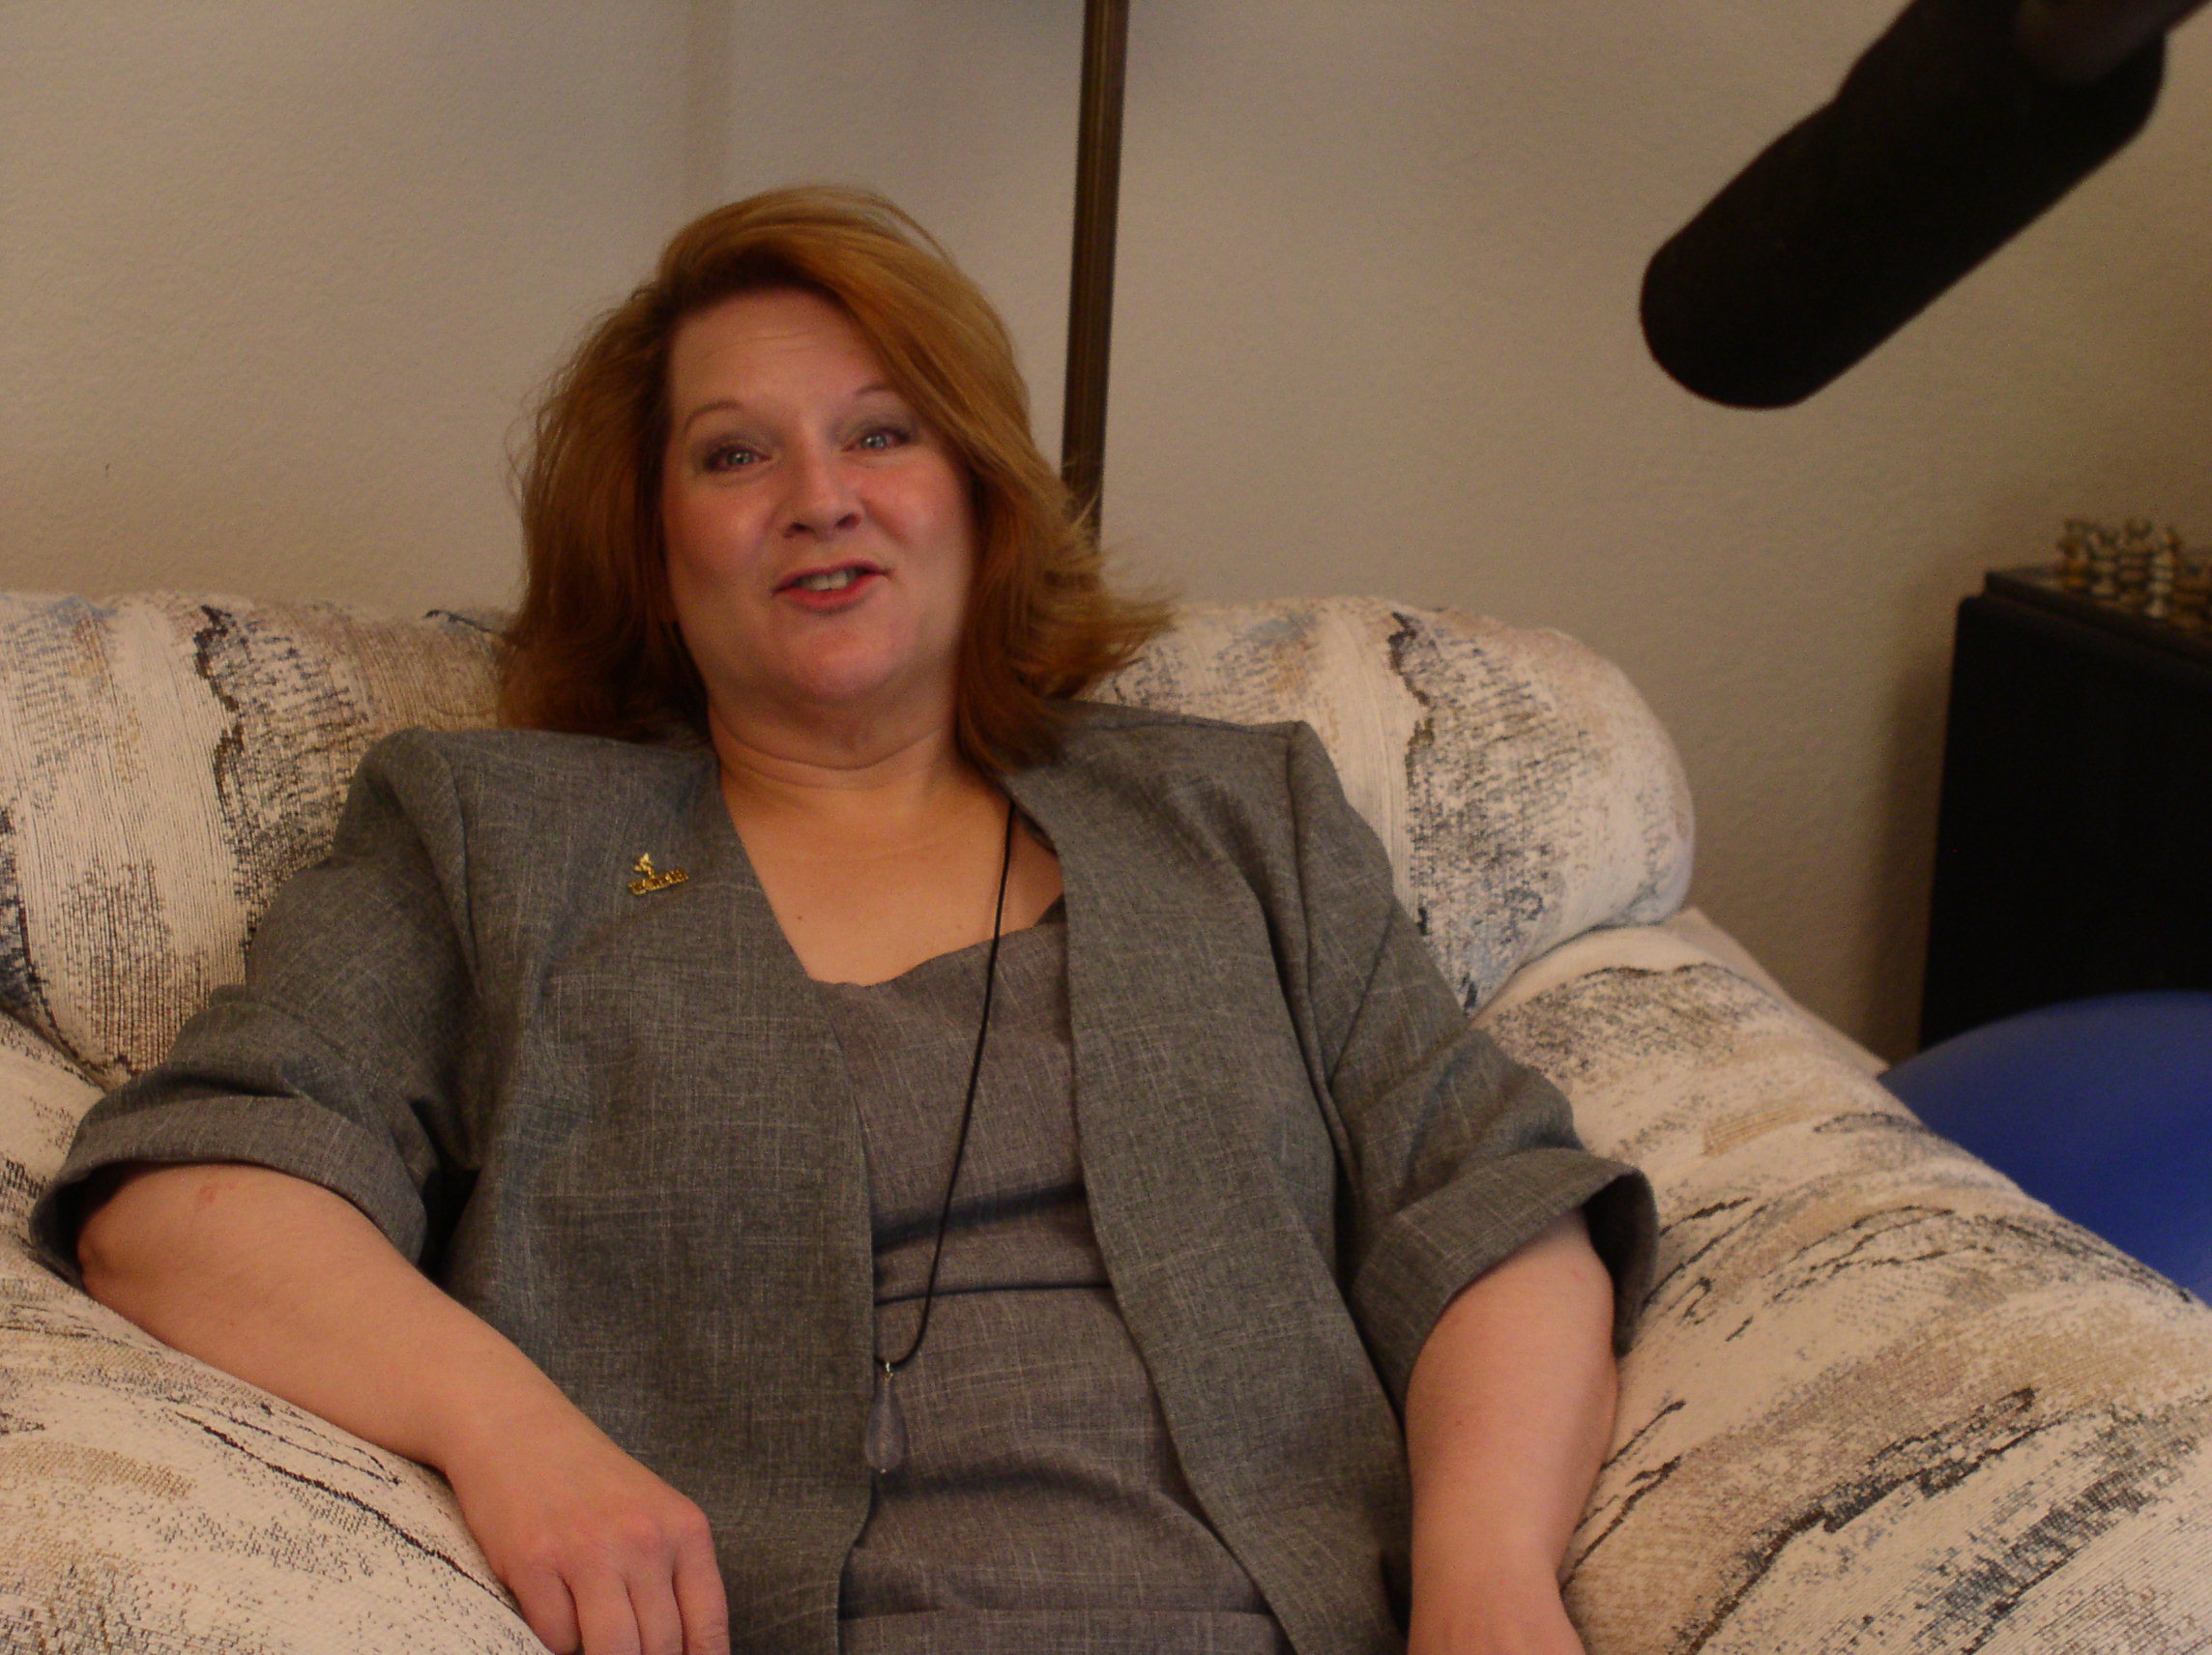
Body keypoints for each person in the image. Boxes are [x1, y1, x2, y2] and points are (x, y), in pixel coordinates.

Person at [33, 188, 1654, 1655]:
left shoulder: (1239, 817)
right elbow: (192, 1201)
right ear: (653, 545)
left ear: (980, 495)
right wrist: (511, 1437)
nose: (820, 498)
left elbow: (1491, 1203)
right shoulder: (499, 838)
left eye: (882, 435)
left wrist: (1488, 1578)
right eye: (734, 455)